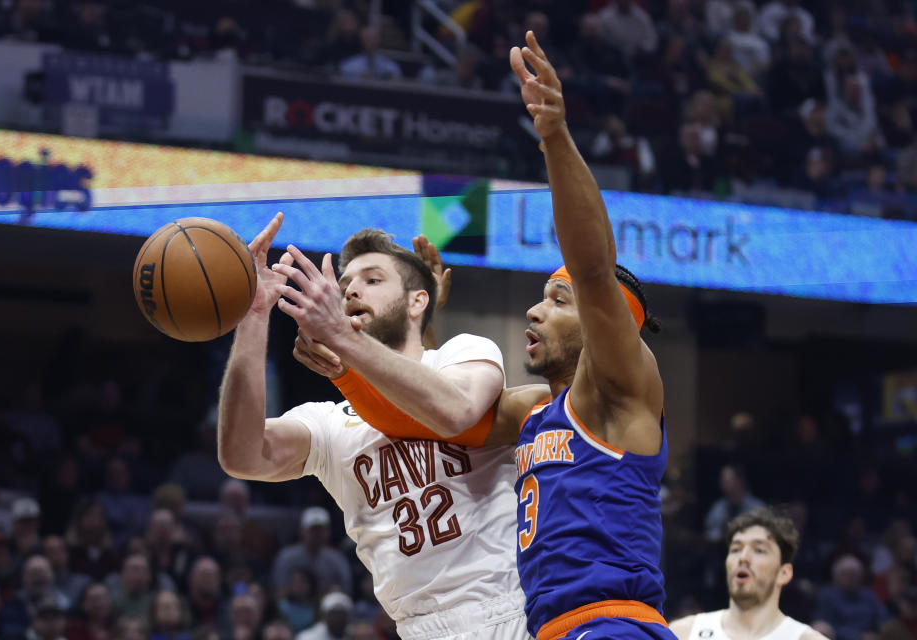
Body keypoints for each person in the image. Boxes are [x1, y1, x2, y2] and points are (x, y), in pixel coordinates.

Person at [293, 29, 675, 640]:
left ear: (609, 327)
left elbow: (593, 268)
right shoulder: (533, 412)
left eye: (557, 300)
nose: (532, 310)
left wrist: (553, 137)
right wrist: (346, 364)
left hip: (611, 623)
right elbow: (423, 418)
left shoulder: (624, 390)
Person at [216, 218, 525, 639]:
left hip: (508, 610)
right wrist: (253, 315)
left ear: (418, 302)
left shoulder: (462, 354)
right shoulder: (329, 421)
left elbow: (457, 410)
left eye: (373, 279)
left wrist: (343, 337)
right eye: (344, 286)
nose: (351, 291)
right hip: (416, 628)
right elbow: (241, 454)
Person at [670, 507, 828, 640]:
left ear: (784, 573)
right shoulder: (683, 633)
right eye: (735, 549)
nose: (743, 558)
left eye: (759, 550)